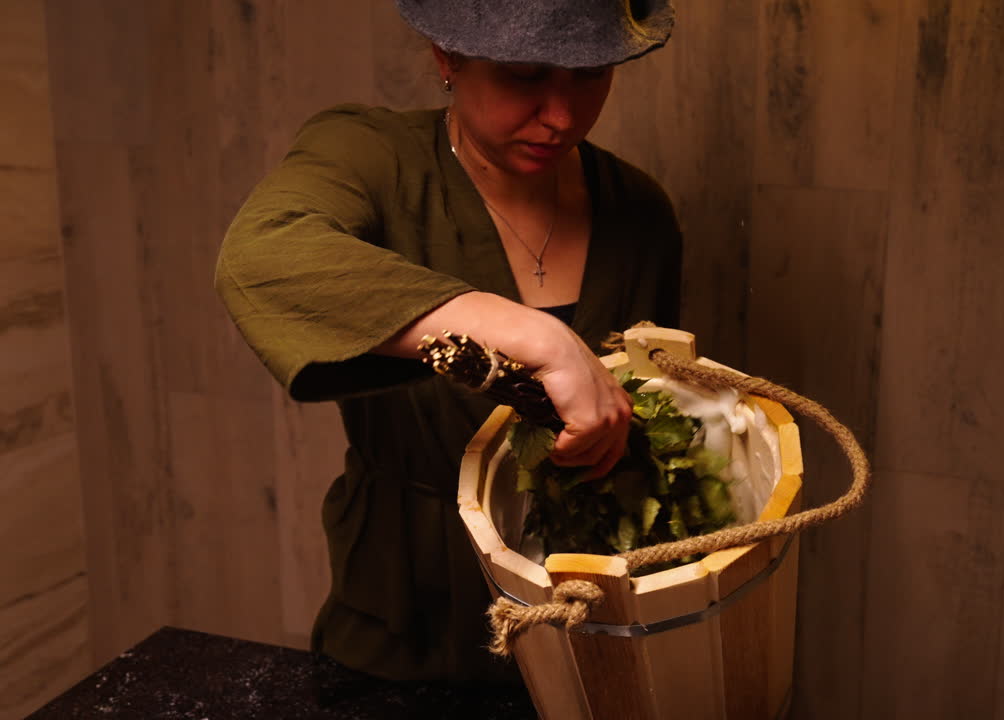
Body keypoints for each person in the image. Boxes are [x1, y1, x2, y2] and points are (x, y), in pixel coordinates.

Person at [214, 0, 682, 686]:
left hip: (583, 627)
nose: (560, 115)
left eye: (590, 76)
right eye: (526, 75)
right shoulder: (369, 154)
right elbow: (263, 255)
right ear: (447, 57)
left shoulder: (641, 213)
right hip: (399, 620)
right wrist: (528, 330)